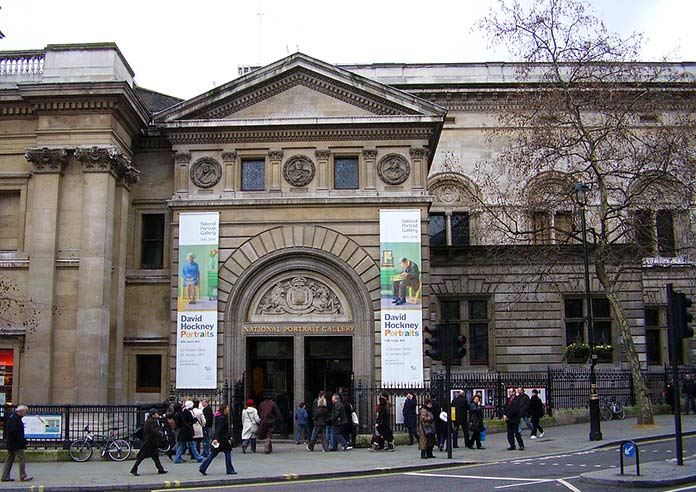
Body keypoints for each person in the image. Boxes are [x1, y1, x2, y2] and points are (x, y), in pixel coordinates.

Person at [199, 404, 237, 476]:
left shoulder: (219, 417)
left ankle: (203, 467)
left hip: (220, 439)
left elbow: (223, 429)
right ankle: (229, 469)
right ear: (224, 409)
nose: (228, 409)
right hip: (222, 439)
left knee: (213, 454)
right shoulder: (222, 418)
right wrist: (216, 439)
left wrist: (229, 436)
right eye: (227, 408)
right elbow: (219, 430)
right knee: (227, 453)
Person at [130, 408, 168, 476]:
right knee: (141, 457)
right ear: (152, 414)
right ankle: (134, 469)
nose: (157, 414)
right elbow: (153, 431)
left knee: (155, 456)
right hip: (149, 443)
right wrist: (160, 433)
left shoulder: (151, 420)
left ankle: (160, 469)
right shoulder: (151, 421)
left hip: (151, 442)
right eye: (156, 413)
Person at [1, 405, 32, 482]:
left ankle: (4, 476)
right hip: (16, 444)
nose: (25, 413)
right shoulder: (15, 419)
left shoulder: (14, 418)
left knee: (9, 458)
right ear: (20, 411)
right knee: (22, 457)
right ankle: (23, 476)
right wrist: (22, 441)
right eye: (25, 411)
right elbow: (14, 432)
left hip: (12, 443)